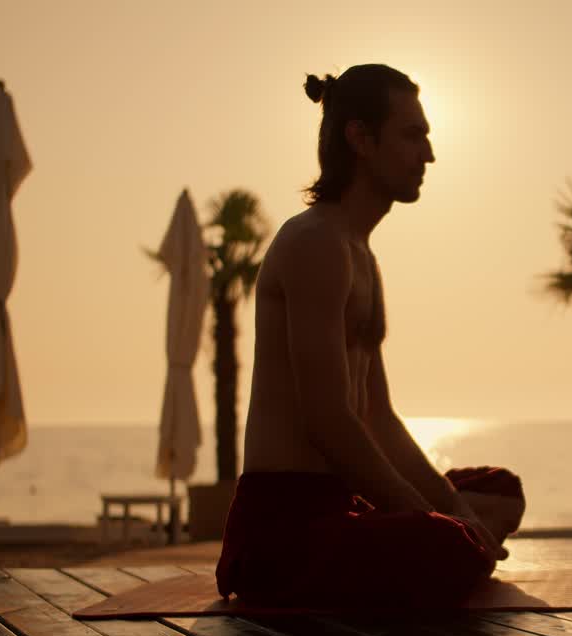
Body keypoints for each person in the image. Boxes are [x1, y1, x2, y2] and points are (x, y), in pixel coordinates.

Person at [215, 64, 525, 608]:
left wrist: (455, 509)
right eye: (412, 135)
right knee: (446, 543)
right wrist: (427, 516)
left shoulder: (361, 254)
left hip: (346, 506)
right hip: (281, 533)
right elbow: (327, 420)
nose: (429, 155)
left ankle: (453, 542)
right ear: (360, 138)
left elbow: (378, 417)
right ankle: (454, 549)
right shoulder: (314, 242)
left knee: (498, 491)